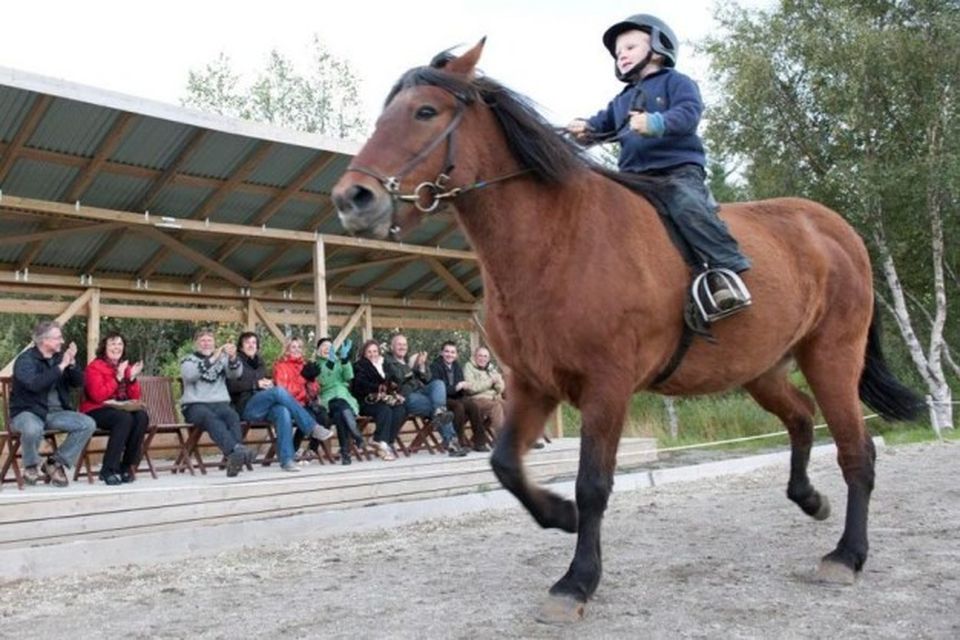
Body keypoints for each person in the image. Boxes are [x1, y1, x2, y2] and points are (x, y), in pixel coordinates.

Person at [567, 13, 751, 314]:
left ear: (657, 45)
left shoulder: (678, 83)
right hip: (632, 178)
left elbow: (688, 114)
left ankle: (725, 270)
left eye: (629, 47)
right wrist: (584, 130)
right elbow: (602, 125)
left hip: (676, 172)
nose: (621, 56)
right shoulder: (621, 100)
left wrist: (656, 122)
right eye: (617, 53)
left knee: (687, 206)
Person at [227, 332, 333, 472]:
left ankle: (287, 460)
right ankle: (312, 427)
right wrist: (256, 384)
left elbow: (311, 392)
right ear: (241, 346)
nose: (251, 345)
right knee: (278, 391)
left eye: (254, 342)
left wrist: (310, 380)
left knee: (283, 411)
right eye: (247, 342)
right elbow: (231, 385)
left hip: (265, 404)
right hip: (245, 406)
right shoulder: (235, 361)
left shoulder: (260, 362)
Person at [9, 320, 96, 487]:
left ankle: (54, 463)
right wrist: (61, 366)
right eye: (58, 338)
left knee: (87, 423)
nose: (62, 341)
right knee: (32, 428)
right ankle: (31, 465)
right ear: (44, 340)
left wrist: (71, 364)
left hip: (55, 413)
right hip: (28, 411)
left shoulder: (59, 358)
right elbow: (35, 385)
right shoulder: (25, 360)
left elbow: (78, 383)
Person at [180, 328, 251, 477]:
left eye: (209, 340)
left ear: (214, 343)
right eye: (203, 340)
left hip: (219, 403)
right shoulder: (188, 360)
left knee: (232, 415)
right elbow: (190, 375)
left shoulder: (223, 359)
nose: (206, 344)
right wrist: (213, 358)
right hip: (195, 405)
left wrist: (232, 358)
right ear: (196, 343)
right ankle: (236, 451)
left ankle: (234, 456)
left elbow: (235, 374)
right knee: (209, 417)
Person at [80, 331, 149, 485]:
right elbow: (98, 396)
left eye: (119, 344)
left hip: (119, 408)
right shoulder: (94, 367)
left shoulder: (125, 366)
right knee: (123, 419)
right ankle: (108, 470)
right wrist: (117, 377)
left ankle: (126, 467)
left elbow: (135, 397)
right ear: (104, 347)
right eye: (112, 344)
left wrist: (131, 378)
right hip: (95, 409)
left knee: (141, 416)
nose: (116, 347)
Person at [383, 334, 466, 457]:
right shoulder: (388, 362)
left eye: (404, 344)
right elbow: (400, 379)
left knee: (438, 383)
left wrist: (421, 366)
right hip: (406, 396)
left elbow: (428, 378)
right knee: (441, 411)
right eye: (399, 344)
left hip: (421, 392)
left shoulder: (408, 360)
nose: (402, 347)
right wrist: (412, 369)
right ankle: (452, 444)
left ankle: (439, 411)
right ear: (392, 346)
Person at [302, 337, 365, 465]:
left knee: (339, 413)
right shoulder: (316, 364)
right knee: (339, 407)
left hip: (344, 396)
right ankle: (356, 436)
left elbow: (349, 376)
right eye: (324, 346)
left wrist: (345, 359)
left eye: (330, 346)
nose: (327, 348)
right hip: (328, 398)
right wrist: (330, 362)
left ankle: (346, 452)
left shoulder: (338, 361)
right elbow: (322, 381)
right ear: (319, 350)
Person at [272, 337, 334, 460]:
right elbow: (284, 392)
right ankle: (294, 448)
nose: (296, 350)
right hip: (288, 405)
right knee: (308, 416)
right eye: (293, 347)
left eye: (299, 347)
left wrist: (311, 381)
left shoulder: (304, 365)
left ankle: (312, 449)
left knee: (323, 415)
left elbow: (315, 392)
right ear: (287, 350)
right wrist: (302, 379)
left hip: (305, 403)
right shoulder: (281, 367)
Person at [351, 339, 406, 461]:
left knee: (400, 409)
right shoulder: (360, 365)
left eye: (375, 351)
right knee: (385, 410)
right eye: (369, 352)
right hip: (366, 400)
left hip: (384, 399)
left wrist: (395, 391)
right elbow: (359, 385)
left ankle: (384, 441)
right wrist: (377, 388)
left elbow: (393, 382)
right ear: (364, 354)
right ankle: (382, 444)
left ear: (379, 352)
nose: (372, 354)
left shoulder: (384, 364)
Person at [430, 341, 487, 452]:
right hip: (442, 399)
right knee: (458, 407)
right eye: (447, 351)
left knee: (473, 405)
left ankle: (480, 442)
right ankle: (458, 442)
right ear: (441, 353)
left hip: (456, 396)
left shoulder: (457, 366)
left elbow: (460, 387)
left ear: (456, 355)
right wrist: (456, 388)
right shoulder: (435, 366)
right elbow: (438, 389)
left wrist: (464, 387)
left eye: (452, 352)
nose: (449, 355)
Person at [462, 346, 506, 442]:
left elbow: (501, 388)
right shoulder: (468, 367)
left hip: (493, 398)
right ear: (475, 356)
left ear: (489, 358)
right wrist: (490, 381)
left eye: (485, 356)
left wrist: (499, 383)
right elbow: (471, 388)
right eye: (480, 356)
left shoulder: (490, 368)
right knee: (496, 406)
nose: (483, 359)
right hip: (476, 399)